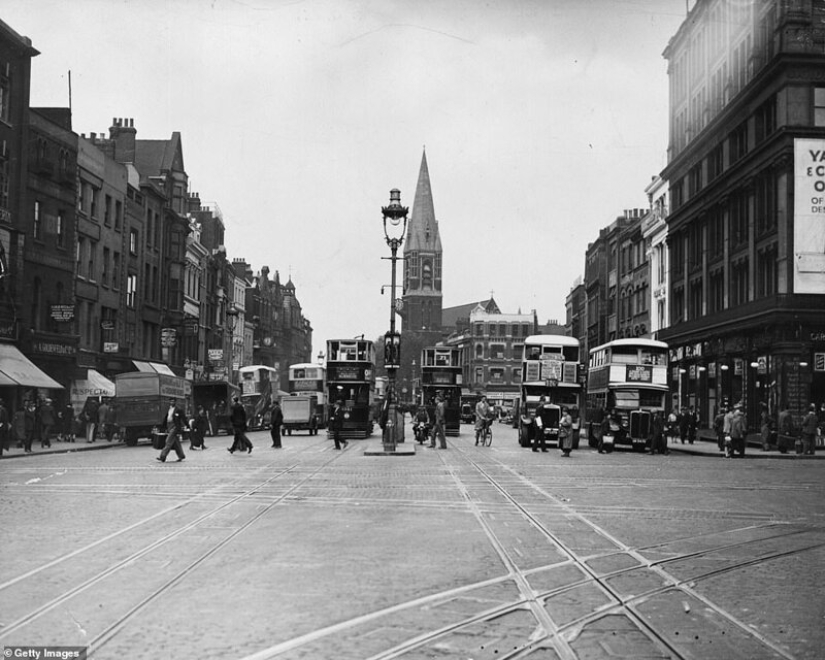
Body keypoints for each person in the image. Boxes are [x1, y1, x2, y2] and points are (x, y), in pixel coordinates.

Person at [157, 398, 186, 462]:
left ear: (175, 402)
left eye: (173, 401)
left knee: (168, 441)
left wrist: (187, 426)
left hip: (175, 427)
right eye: (171, 401)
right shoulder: (169, 409)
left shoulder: (178, 410)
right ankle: (181, 455)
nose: (172, 402)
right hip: (169, 426)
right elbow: (166, 419)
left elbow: (183, 418)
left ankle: (162, 456)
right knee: (176, 443)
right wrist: (163, 427)